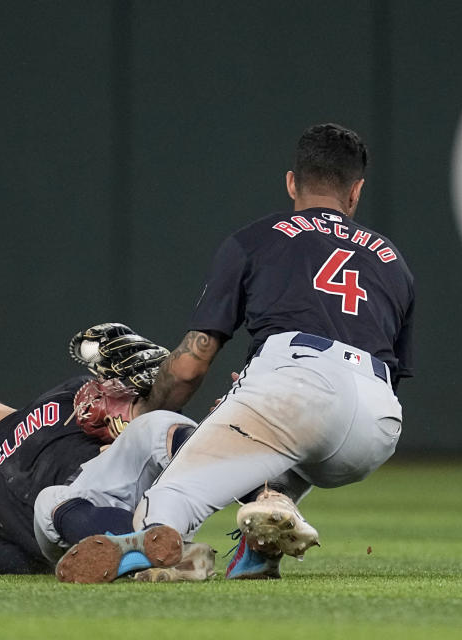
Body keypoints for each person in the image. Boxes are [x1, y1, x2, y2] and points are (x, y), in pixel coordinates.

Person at [59, 123, 415, 583]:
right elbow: (387, 372)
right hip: (377, 425)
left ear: (292, 181)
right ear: (357, 191)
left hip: (299, 388)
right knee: (275, 467)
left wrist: (148, 408)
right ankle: (260, 548)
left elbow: (189, 367)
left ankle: (158, 549)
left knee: (170, 499)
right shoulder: (394, 262)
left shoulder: (256, 239)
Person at [0, 376, 212, 581]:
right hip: (67, 527)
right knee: (51, 500)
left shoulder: (65, 396)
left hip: (121, 479)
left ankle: (258, 497)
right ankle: (159, 554)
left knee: (155, 425)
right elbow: (25, 560)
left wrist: (127, 422)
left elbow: (142, 407)